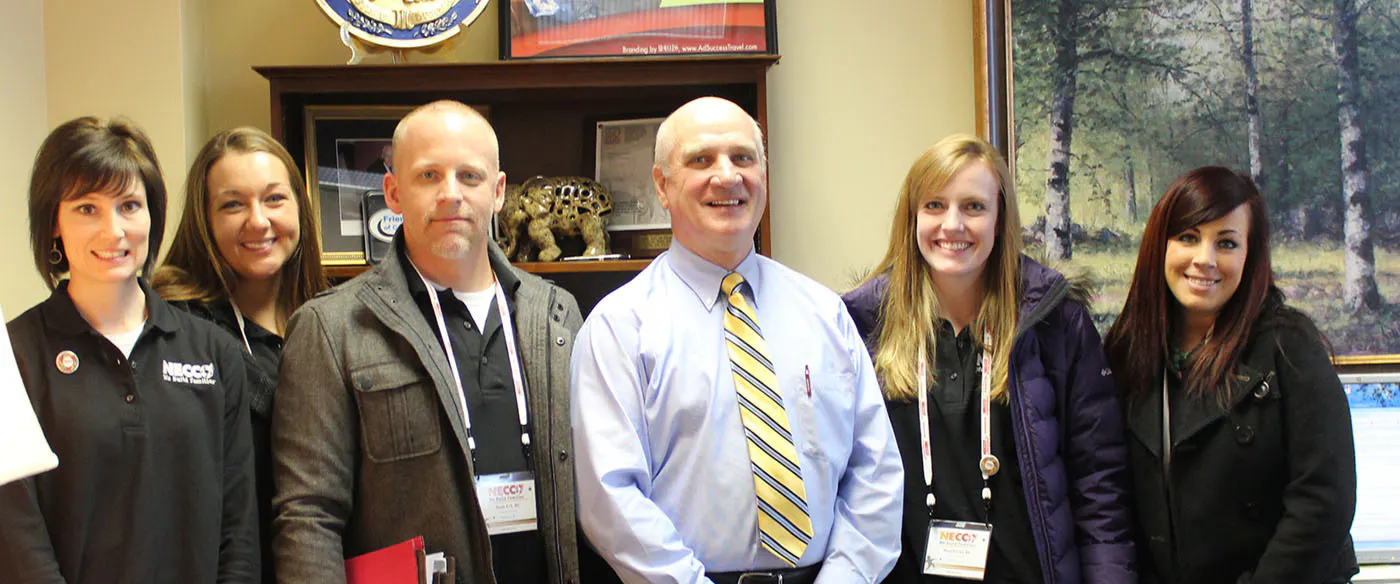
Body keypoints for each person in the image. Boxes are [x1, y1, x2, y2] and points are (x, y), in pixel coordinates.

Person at [570, 96, 903, 584]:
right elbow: (610, 498)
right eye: (701, 159)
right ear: (662, 186)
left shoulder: (824, 312)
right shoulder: (620, 327)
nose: (727, 176)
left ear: (763, 175)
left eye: (743, 158)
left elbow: (875, 471)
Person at [272, 100, 583, 584]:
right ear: (393, 193)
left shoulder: (556, 314)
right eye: (428, 176)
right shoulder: (332, 328)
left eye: (470, 177)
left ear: (499, 192)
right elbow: (308, 517)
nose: (450, 194)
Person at [842, 134, 1136, 583]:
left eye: (974, 207)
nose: (953, 224)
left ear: (1000, 219)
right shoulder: (862, 326)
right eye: (935, 206)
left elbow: (1099, 485)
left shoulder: (1055, 323)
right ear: (911, 218)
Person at [0, 116, 258, 582]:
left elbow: (238, 532)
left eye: (129, 205)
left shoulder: (214, 353)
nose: (113, 230)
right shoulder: (13, 357)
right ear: (53, 222)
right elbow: (17, 534)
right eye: (86, 208)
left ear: (152, 215)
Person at [1104, 166, 1357, 584]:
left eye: (1226, 243)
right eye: (1188, 237)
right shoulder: (1126, 353)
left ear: (1249, 256)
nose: (1204, 259)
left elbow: (1324, 499)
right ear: (1159, 247)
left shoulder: (1289, 346)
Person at [152, 126, 327, 583]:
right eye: (233, 204)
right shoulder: (175, 329)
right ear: (204, 219)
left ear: (300, 210)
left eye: (274, 199)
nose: (258, 221)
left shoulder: (332, 319)